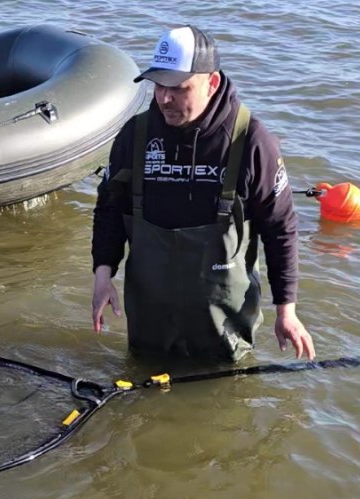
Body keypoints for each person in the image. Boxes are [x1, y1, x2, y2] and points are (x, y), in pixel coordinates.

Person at [91, 25, 315, 361]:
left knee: (226, 391)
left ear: (211, 83)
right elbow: (109, 208)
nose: (165, 99)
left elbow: (280, 226)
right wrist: (103, 275)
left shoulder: (251, 141)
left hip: (224, 326)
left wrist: (287, 310)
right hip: (151, 319)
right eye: (159, 86)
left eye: (178, 89)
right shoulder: (134, 136)